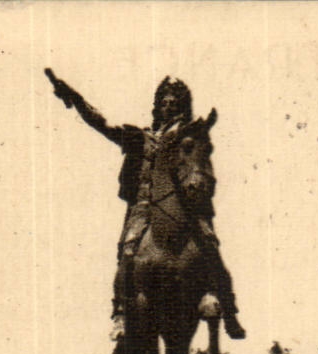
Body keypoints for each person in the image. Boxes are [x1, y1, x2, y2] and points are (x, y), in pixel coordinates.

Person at [46, 69, 244, 339]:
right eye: (164, 100)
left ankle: (225, 306)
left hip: (182, 202)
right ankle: (120, 313)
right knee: (128, 249)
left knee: (207, 239)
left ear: (182, 105)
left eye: (174, 101)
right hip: (143, 204)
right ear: (157, 105)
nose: (168, 105)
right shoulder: (139, 137)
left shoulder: (187, 134)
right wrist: (75, 98)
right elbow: (101, 123)